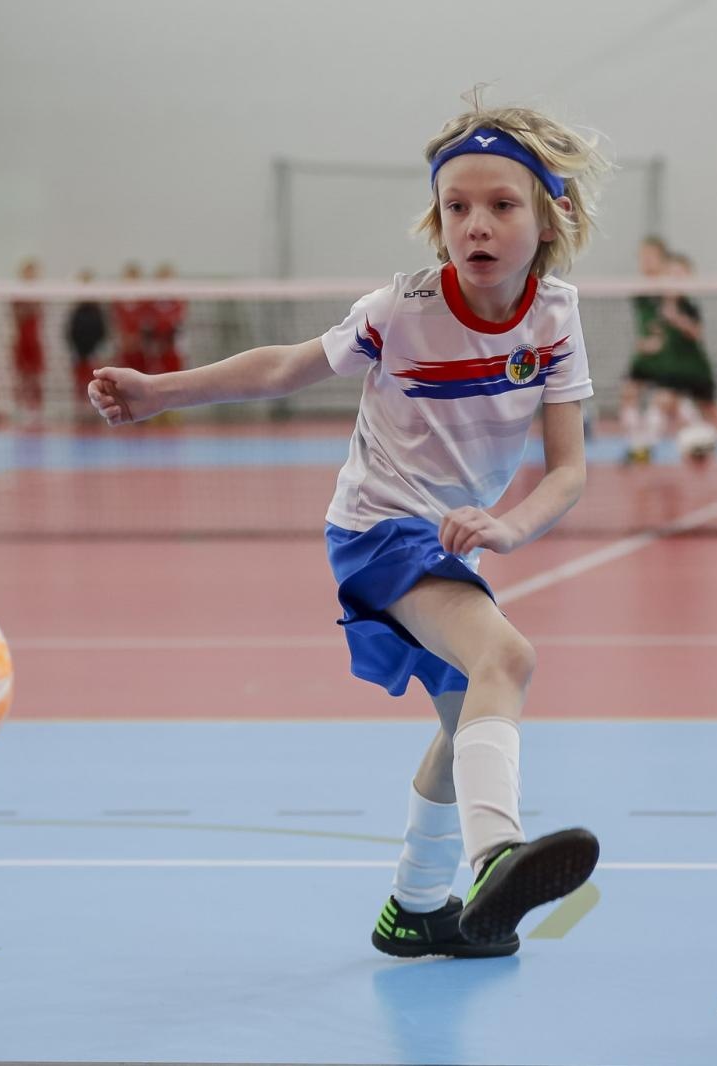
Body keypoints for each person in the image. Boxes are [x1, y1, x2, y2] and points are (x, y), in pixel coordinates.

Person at [89, 99, 605, 958]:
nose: (476, 224)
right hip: (379, 531)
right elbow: (284, 368)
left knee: (466, 721)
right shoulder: (401, 308)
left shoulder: (555, 317)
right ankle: (496, 857)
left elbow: (569, 470)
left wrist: (509, 527)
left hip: (451, 542)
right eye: (456, 206)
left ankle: (416, 907)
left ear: (550, 217)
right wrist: (158, 393)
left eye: (501, 205)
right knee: (506, 659)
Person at [649, 252, 717, 460]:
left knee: (709, 408)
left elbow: (696, 332)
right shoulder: (661, 306)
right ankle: (648, 446)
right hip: (674, 367)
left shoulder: (689, 306)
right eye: (670, 274)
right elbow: (662, 336)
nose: (674, 279)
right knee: (662, 401)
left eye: (679, 274)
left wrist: (677, 319)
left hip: (694, 368)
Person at [620, 235, 669, 463]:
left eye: (651, 256)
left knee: (664, 401)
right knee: (629, 392)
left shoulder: (670, 289)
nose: (646, 261)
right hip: (646, 355)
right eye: (642, 257)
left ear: (662, 259)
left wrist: (661, 340)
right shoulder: (640, 292)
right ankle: (636, 444)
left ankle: (649, 443)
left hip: (671, 355)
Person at [11, 258, 46, 423]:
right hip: (21, 340)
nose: (30, 274)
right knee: (22, 376)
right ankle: (20, 406)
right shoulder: (16, 294)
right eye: (27, 271)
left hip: (34, 340)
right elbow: (16, 315)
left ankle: (37, 408)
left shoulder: (39, 293)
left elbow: (39, 312)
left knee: (35, 376)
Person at [66, 269, 108, 399]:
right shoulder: (76, 311)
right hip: (79, 353)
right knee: (80, 384)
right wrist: (76, 351)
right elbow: (71, 332)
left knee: (96, 382)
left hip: (94, 353)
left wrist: (97, 350)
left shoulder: (97, 310)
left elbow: (102, 331)